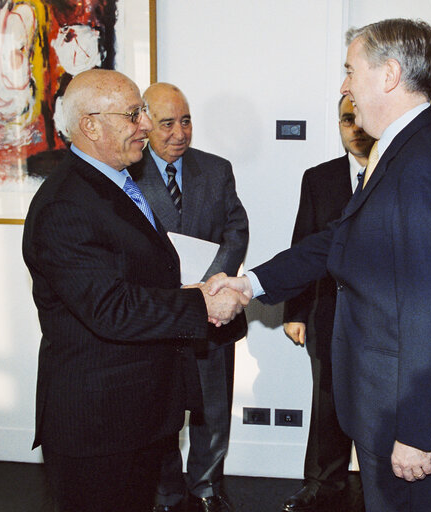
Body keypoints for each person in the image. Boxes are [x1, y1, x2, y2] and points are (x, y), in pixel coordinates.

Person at [208, 18, 431, 512]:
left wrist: (419, 432)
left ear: (390, 74)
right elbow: (336, 240)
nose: (344, 84)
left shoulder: (425, 167)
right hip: (381, 403)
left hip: (402, 415)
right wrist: (250, 283)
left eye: (352, 70)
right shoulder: (398, 151)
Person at [21, 69, 247, 512]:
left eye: (143, 112)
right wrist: (200, 303)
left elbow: (139, 276)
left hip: (134, 412)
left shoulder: (112, 183)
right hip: (98, 425)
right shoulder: (65, 206)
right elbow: (111, 308)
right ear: (90, 125)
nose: (146, 125)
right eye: (133, 114)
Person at [128, 82, 248, 512]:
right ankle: (165, 493)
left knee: (213, 411)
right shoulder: (128, 175)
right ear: (143, 122)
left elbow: (237, 229)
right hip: (160, 316)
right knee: (161, 414)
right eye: (166, 123)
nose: (180, 132)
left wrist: (211, 283)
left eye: (186, 120)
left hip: (212, 311)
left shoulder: (217, 170)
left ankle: (207, 488)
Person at [280, 95, 374, 512]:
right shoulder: (318, 179)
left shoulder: (397, 175)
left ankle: (381, 489)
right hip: (327, 314)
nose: (353, 128)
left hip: (381, 319)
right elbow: (304, 246)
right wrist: (295, 312)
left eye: (359, 118)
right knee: (328, 404)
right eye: (345, 119)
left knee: (378, 406)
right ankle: (323, 484)